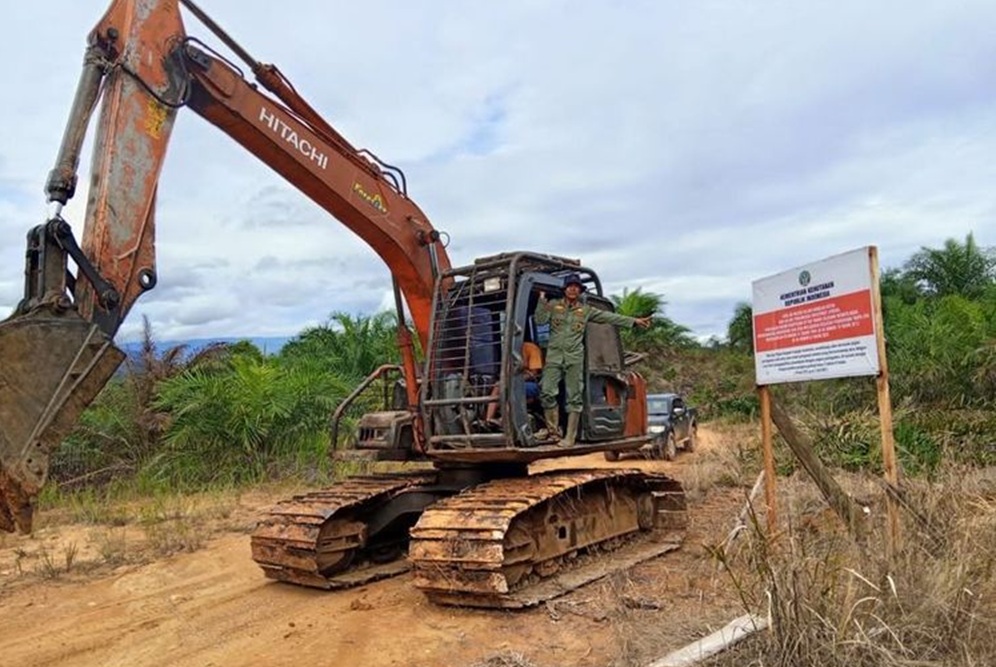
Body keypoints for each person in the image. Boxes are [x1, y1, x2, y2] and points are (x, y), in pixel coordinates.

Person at [534, 272, 651, 446]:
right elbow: (539, 319)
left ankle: (570, 437)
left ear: (580, 291)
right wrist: (541, 299)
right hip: (554, 357)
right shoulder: (553, 306)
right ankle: (553, 432)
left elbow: (609, 317)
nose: (573, 290)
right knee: (547, 392)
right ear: (564, 289)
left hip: (574, 358)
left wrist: (634, 321)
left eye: (576, 287)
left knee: (574, 397)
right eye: (570, 287)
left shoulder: (585, 311)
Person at [484, 341, 543, 425]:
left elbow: (534, 373)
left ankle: (506, 421)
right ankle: (489, 419)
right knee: (498, 386)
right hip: (513, 381)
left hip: (531, 383)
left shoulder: (531, 348)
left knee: (511, 390)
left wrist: (515, 380)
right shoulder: (509, 352)